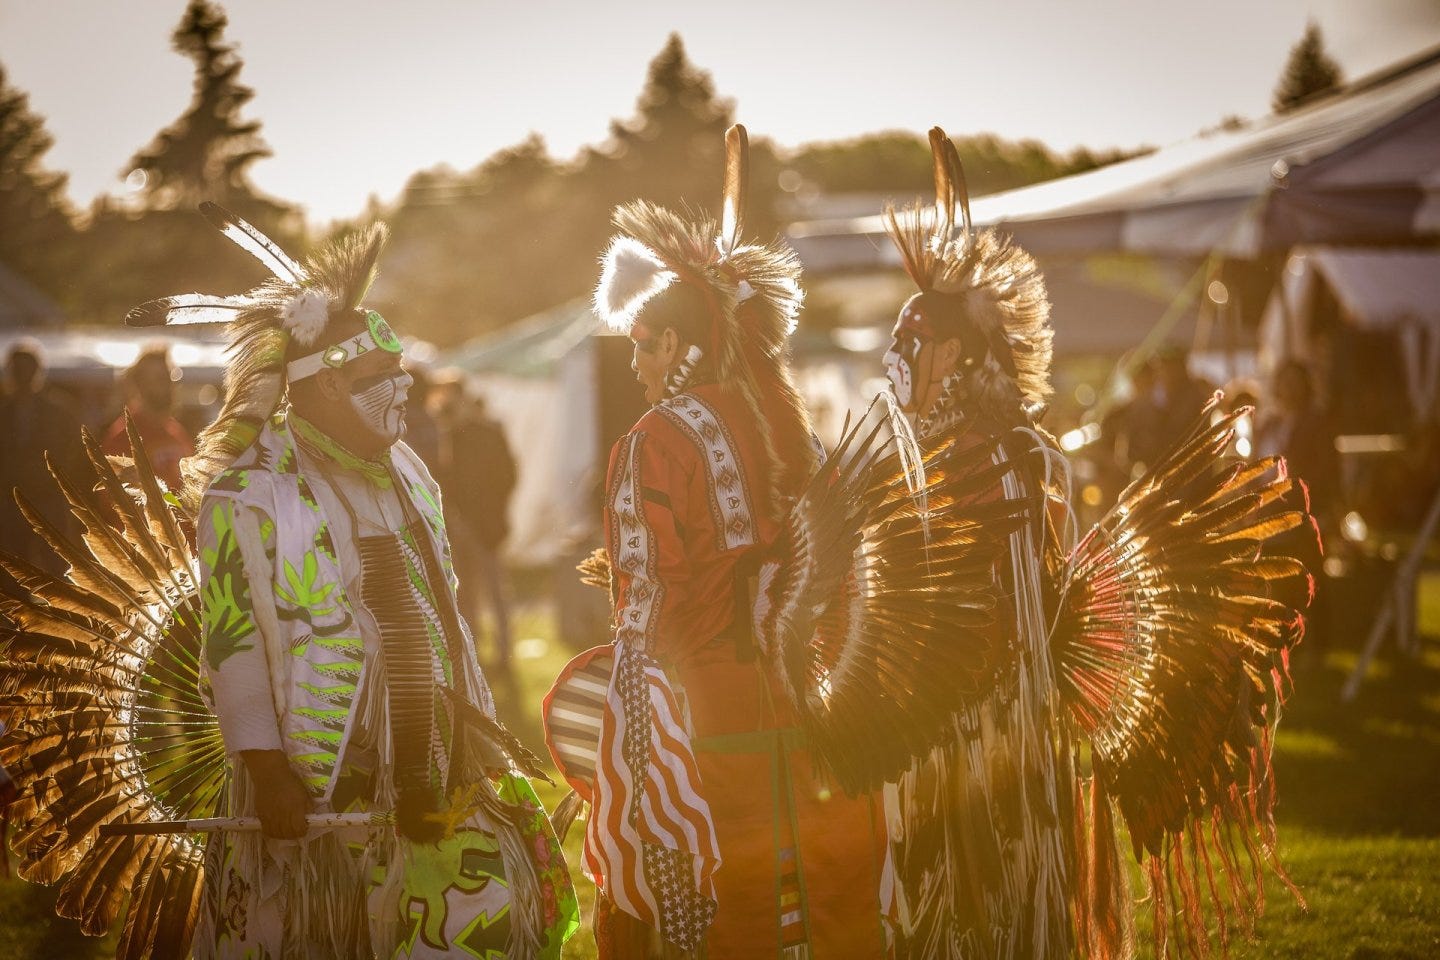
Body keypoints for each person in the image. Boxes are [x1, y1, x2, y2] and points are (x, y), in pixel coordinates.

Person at [876, 128, 1315, 959]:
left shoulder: (986, 455)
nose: (901, 373)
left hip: (989, 728)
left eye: (915, 353)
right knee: (974, 903)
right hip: (982, 727)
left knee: (982, 902)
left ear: (956, 357)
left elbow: (992, 598)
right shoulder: (992, 452)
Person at [134, 204, 577, 958]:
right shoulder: (248, 496)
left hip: (434, 763)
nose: (403, 387)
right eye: (380, 375)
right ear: (325, 387)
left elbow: (444, 612)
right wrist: (267, 771)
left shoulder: (406, 471)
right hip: (314, 781)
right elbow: (232, 644)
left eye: (402, 369)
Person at [543, 127, 894, 959]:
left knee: (714, 890)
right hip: (801, 695)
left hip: (699, 706)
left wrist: (630, 716)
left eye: (642, 346)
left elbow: (646, 596)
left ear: (679, 344)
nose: (636, 367)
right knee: (811, 880)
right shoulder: (781, 422)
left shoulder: (655, 438)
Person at [442, 390, 517, 670]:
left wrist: (495, 511)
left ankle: (503, 652)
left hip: (485, 525)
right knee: (467, 593)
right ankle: (475, 652)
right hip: (465, 525)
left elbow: (507, 475)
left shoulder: (486, 433)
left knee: (493, 591)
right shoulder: (451, 435)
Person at [0, 340, 84, 574]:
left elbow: (72, 450)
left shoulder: (57, 412)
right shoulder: (4, 412)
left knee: (55, 569)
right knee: (13, 570)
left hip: (48, 500)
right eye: (18, 370)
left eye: (27, 370)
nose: (23, 377)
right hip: (10, 503)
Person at [101, 344, 195, 492]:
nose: (167, 385)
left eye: (169, 377)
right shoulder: (123, 437)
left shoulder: (177, 434)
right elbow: (113, 503)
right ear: (139, 384)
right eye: (159, 378)